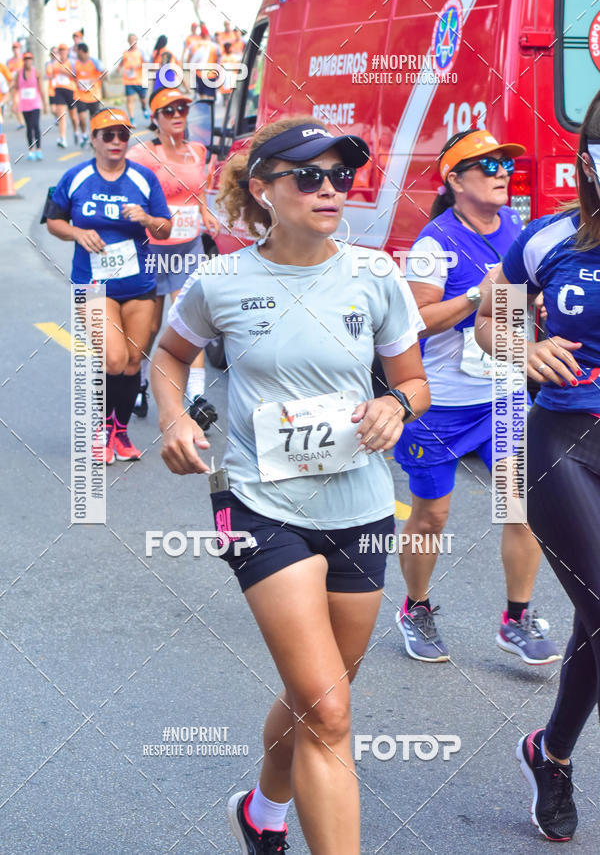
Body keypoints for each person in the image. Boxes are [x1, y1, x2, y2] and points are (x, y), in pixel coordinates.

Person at [152, 116, 430, 854]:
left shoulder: (377, 276)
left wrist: (393, 405)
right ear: (264, 189)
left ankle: (262, 812)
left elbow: (412, 381)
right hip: (256, 500)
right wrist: (175, 419)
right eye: (308, 176)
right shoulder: (222, 280)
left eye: (341, 176)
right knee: (332, 710)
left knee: (319, 698)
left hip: (362, 502)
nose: (330, 189)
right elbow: (168, 357)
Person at [476, 92, 600, 843]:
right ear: (588, 159)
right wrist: (523, 349)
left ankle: (549, 752)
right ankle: (552, 755)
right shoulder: (549, 237)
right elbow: (490, 318)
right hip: (563, 443)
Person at [392, 129, 560, 665]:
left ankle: (516, 617)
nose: (501, 173)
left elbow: (528, 293)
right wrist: (473, 294)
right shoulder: (432, 243)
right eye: (486, 166)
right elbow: (415, 321)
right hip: (441, 403)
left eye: (504, 165)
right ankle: (415, 607)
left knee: (522, 507)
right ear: (454, 179)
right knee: (431, 515)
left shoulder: (519, 229)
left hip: (504, 398)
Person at [46, 107, 172, 462]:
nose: (116, 141)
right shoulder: (76, 176)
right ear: (94, 139)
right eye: (108, 135)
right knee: (114, 358)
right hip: (93, 284)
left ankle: (119, 432)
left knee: (134, 360)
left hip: (138, 283)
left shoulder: (144, 178)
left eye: (123, 134)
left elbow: (166, 227)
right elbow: (53, 221)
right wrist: (76, 231)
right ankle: (99, 430)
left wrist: (147, 218)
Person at [128, 87, 219, 420]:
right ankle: (137, 384)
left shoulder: (197, 151)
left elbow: (198, 192)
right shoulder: (141, 155)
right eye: (169, 111)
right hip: (152, 251)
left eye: (182, 108)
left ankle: (196, 399)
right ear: (155, 118)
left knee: (189, 320)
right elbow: (129, 191)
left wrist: (206, 213)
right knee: (149, 328)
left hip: (188, 248)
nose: (178, 115)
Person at [14, 52, 47, 161]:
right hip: (25, 104)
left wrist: (45, 104)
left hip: (35, 103)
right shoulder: (19, 74)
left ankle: (39, 149)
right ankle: (31, 151)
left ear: (32, 60)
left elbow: (41, 88)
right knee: (29, 127)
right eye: (26, 59)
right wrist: (15, 103)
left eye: (30, 59)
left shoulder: (36, 73)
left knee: (35, 125)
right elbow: (15, 89)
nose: (28, 61)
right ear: (23, 61)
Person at [73, 42, 105, 145]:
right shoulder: (76, 63)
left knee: (93, 119)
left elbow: (105, 73)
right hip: (81, 95)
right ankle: (84, 134)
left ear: (81, 51)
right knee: (82, 118)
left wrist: (95, 80)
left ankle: (93, 138)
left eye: (77, 50)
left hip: (94, 95)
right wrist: (76, 82)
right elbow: (73, 75)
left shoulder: (94, 62)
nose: (76, 53)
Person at [49, 43, 78, 147]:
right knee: (61, 114)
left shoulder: (72, 63)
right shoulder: (54, 64)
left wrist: (65, 72)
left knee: (73, 116)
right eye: (60, 50)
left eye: (64, 50)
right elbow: (50, 75)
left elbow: (76, 77)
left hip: (70, 90)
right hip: (59, 89)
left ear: (67, 52)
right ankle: (63, 138)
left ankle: (76, 131)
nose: (62, 52)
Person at [119, 34, 149, 125]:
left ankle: (144, 108)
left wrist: (137, 66)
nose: (132, 42)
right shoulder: (125, 53)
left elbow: (147, 63)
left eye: (134, 40)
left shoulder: (141, 52)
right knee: (129, 100)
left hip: (140, 80)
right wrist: (119, 68)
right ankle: (131, 118)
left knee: (143, 99)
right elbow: (122, 62)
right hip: (128, 81)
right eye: (131, 40)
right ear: (128, 41)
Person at [189, 26, 220, 101]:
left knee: (202, 96)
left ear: (201, 35)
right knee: (211, 96)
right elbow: (218, 61)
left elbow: (190, 60)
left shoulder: (194, 45)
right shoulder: (215, 46)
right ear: (208, 35)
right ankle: (211, 111)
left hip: (199, 74)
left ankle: (204, 111)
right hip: (211, 74)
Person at [7, 42, 24, 128]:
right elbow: (7, 74)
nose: (15, 50)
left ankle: (24, 120)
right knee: (15, 104)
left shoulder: (24, 59)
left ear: (20, 49)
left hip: (23, 85)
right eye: (14, 48)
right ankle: (21, 122)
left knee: (23, 103)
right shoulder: (9, 61)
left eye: (17, 48)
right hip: (14, 85)